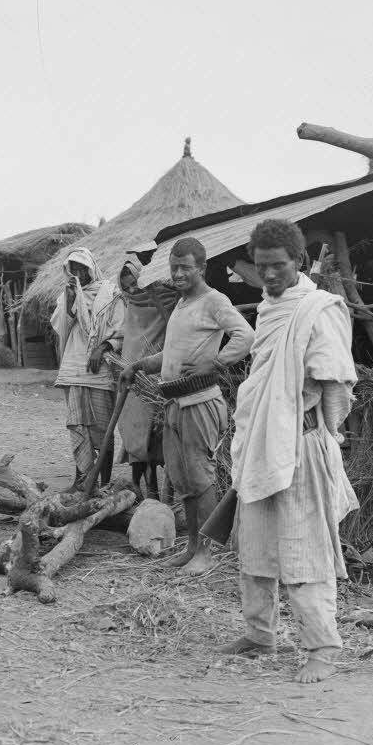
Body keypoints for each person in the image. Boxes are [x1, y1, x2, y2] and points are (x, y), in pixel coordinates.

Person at [214, 219, 360, 684]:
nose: (270, 274)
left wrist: (321, 432)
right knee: (255, 546)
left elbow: (336, 384)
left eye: (278, 265)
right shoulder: (269, 309)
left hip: (301, 446)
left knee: (304, 550)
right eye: (262, 266)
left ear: (299, 261)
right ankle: (260, 635)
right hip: (261, 443)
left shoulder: (319, 310)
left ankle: (322, 648)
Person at [121, 237, 254, 574]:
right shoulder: (183, 304)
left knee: (201, 479)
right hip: (175, 401)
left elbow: (246, 336)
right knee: (184, 481)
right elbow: (172, 355)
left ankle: (206, 554)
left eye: (185, 268)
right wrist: (140, 365)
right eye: (174, 268)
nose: (178, 274)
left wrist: (216, 362)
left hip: (200, 402)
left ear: (202, 268)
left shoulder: (214, 300)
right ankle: (193, 546)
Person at [50, 247, 125, 492]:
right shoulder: (66, 295)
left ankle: (104, 483)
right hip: (74, 366)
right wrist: (72, 300)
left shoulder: (110, 293)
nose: (79, 274)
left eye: (83, 268)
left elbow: (120, 329)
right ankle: (81, 480)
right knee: (78, 424)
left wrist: (102, 347)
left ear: (92, 268)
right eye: (74, 269)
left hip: (99, 368)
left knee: (103, 427)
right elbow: (62, 326)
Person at [114, 255, 179, 500]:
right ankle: (138, 483)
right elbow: (129, 339)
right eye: (127, 287)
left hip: (155, 375)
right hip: (132, 377)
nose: (132, 290)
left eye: (134, 283)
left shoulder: (164, 298)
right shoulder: (130, 304)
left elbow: (172, 334)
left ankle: (157, 487)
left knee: (157, 432)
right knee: (134, 429)